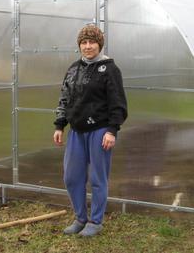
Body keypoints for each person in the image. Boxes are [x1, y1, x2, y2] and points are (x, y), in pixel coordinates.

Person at [53, 24, 128, 237]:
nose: (87, 46)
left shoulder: (110, 69)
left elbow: (118, 103)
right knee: (72, 177)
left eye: (91, 42)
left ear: (99, 44)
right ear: (79, 45)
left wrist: (112, 130)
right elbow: (64, 98)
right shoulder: (74, 69)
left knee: (97, 178)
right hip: (76, 131)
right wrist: (60, 125)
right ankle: (80, 218)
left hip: (100, 131)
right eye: (83, 42)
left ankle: (95, 221)